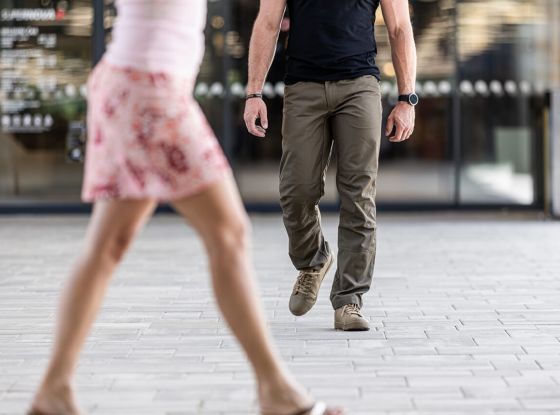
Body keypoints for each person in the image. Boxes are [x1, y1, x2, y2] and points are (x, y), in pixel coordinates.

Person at [27, 1, 343, 414]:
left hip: (137, 84)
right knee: (227, 234)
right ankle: (276, 390)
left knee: (109, 246)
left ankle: (54, 389)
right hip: (149, 90)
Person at [244, 0, 418, 331]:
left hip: (359, 86)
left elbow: (399, 27)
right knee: (296, 190)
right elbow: (267, 23)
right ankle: (313, 261)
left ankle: (349, 300)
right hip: (302, 87)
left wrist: (407, 99)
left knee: (359, 196)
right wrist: (254, 94)